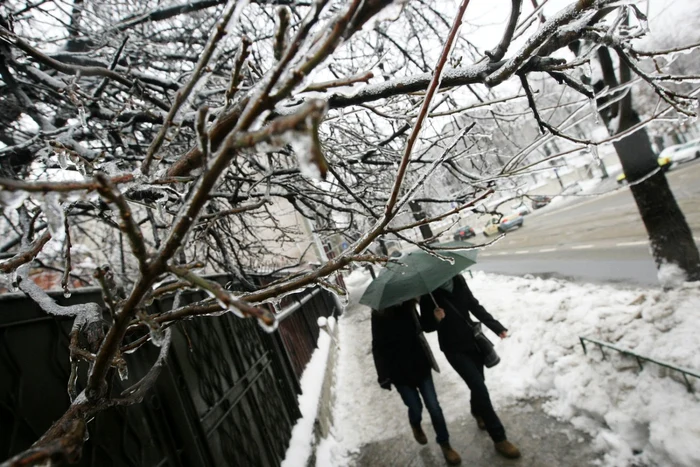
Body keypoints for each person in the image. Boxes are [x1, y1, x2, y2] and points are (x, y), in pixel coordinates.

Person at [419, 274, 521, 459]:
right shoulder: (428, 293)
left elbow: (474, 305)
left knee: (478, 382)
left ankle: (476, 410)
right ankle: (499, 438)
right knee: (479, 387)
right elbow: (425, 325)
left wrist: (496, 327)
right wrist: (435, 319)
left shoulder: (458, 280)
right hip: (453, 348)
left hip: (472, 341)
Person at [371, 300, 461, 465]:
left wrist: (435, 318)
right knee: (415, 407)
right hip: (399, 372)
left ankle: (445, 444)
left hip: (420, 365)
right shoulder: (379, 313)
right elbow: (377, 346)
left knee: (434, 407)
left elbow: (424, 327)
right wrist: (382, 375)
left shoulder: (409, 306)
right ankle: (415, 424)